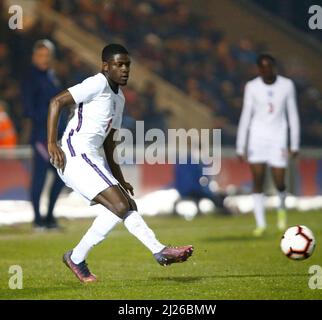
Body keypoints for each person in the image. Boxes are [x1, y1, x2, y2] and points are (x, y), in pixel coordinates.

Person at [47, 44, 193, 283]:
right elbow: (56, 102)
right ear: (106, 66)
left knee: (125, 205)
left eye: (127, 65)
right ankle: (159, 250)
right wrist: (52, 143)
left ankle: (76, 256)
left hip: (91, 158)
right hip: (75, 154)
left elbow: (109, 144)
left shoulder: (119, 98)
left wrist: (120, 179)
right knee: (120, 205)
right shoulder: (97, 83)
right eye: (119, 64)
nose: (125, 69)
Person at [236, 54, 300, 236]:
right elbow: (246, 115)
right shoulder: (252, 87)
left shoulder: (287, 85)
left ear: (275, 67)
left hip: (278, 138)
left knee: (280, 181)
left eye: (269, 66)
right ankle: (261, 224)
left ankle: (281, 213)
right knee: (258, 181)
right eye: (262, 67)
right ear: (258, 69)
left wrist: (294, 144)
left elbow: (292, 114)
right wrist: (241, 146)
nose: (266, 70)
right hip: (257, 138)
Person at [21, 39, 67, 230]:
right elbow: (28, 108)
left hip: (56, 136)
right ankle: (38, 219)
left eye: (47, 55)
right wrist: (44, 122)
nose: (44, 59)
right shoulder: (30, 78)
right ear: (34, 57)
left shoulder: (53, 76)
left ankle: (48, 216)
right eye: (40, 55)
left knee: (61, 175)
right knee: (40, 176)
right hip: (41, 136)